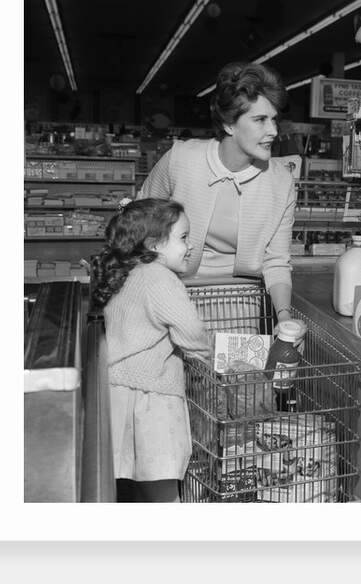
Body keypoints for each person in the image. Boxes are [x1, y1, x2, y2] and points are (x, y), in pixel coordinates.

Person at [138, 61, 296, 323]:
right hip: (170, 288)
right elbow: (140, 218)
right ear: (229, 125)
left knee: (237, 365)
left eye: (274, 119)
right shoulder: (181, 160)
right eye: (260, 120)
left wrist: (285, 317)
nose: (274, 131)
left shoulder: (281, 182)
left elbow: (277, 262)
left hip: (239, 299)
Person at [91, 198, 214, 502]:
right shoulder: (159, 277)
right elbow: (190, 330)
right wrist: (207, 354)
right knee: (165, 493)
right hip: (152, 399)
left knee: (134, 483)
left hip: (120, 392)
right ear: (154, 243)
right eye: (183, 237)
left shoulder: (129, 271)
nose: (190, 245)